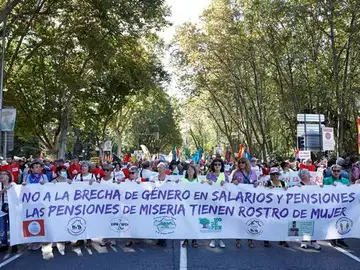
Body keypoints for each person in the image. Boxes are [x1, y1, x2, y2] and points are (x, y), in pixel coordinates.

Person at [231, 158, 257, 248]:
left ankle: (250, 240)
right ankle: (238, 240)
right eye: (239, 163)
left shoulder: (253, 173)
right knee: (239, 220)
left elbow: (255, 182)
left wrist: (256, 183)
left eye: (243, 162)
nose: (241, 164)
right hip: (239, 200)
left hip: (250, 200)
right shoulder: (236, 173)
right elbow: (231, 185)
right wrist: (233, 182)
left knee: (250, 220)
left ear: (247, 163)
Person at [323, 164, 350, 249]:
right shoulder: (327, 180)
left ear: (341, 171)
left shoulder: (345, 181)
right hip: (332, 205)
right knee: (333, 221)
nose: (336, 172)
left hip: (343, 205)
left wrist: (351, 187)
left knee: (342, 221)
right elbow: (324, 191)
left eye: (338, 171)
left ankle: (341, 240)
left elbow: (351, 191)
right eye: (334, 171)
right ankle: (333, 238)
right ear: (331, 171)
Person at [205, 158, 228, 248]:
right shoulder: (209, 175)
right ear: (213, 166)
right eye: (215, 164)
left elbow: (229, 188)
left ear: (221, 166)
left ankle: (221, 239)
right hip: (212, 201)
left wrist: (225, 183)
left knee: (221, 220)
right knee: (213, 219)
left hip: (222, 201)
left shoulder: (224, 175)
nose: (217, 166)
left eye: (219, 164)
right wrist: (208, 182)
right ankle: (213, 238)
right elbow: (204, 186)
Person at [264, 167, 289, 248]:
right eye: (273, 174)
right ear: (271, 175)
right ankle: (266, 239)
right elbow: (263, 193)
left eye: (276, 174)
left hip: (281, 207)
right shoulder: (268, 183)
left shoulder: (283, 183)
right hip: (271, 207)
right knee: (269, 223)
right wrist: (267, 189)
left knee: (282, 223)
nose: (275, 175)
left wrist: (286, 189)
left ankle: (282, 240)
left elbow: (289, 193)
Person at [297, 169, 321, 250]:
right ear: (303, 176)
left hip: (313, 208)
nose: (309, 175)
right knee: (305, 224)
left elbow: (320, 192)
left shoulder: (314, 184)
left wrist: (322, 188)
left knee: (315, 223)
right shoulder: (298, 185)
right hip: (303, 208)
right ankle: (304, 241)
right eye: (307, 174)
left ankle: (314, 241)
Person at [179, 165, 199, 248]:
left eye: (192, 169)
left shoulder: (198, 180)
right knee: (186, 222)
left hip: (195, 205)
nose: (190, 171)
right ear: (186, 172)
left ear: (194, 171)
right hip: (185, 204)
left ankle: (194, 239)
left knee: (194, 222)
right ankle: (186, 239)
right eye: (188, 169)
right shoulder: (182, 180)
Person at [0, 171, 16, 253]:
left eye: (4, 174)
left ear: (8, 176)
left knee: (12, 227)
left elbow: (18, 194)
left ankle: (14, 244)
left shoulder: (13, 184)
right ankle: (4, 244)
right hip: (1, 209)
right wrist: (4, 189)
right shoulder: (0, 185)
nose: (2, 175)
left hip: (12, 209)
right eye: (1, 174)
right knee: (2, 227)